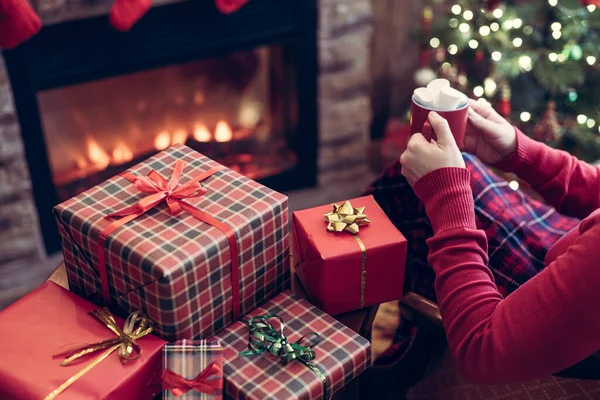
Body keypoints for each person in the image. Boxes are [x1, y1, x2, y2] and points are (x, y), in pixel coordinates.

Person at [366, 99, 600, 385]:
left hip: (567, 321)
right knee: (455, 170)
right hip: (574, 246)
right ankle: (402, 321)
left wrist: (446, 197)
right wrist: (519, 151)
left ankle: (399, 368)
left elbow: (482, 350)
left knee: (429, 188)